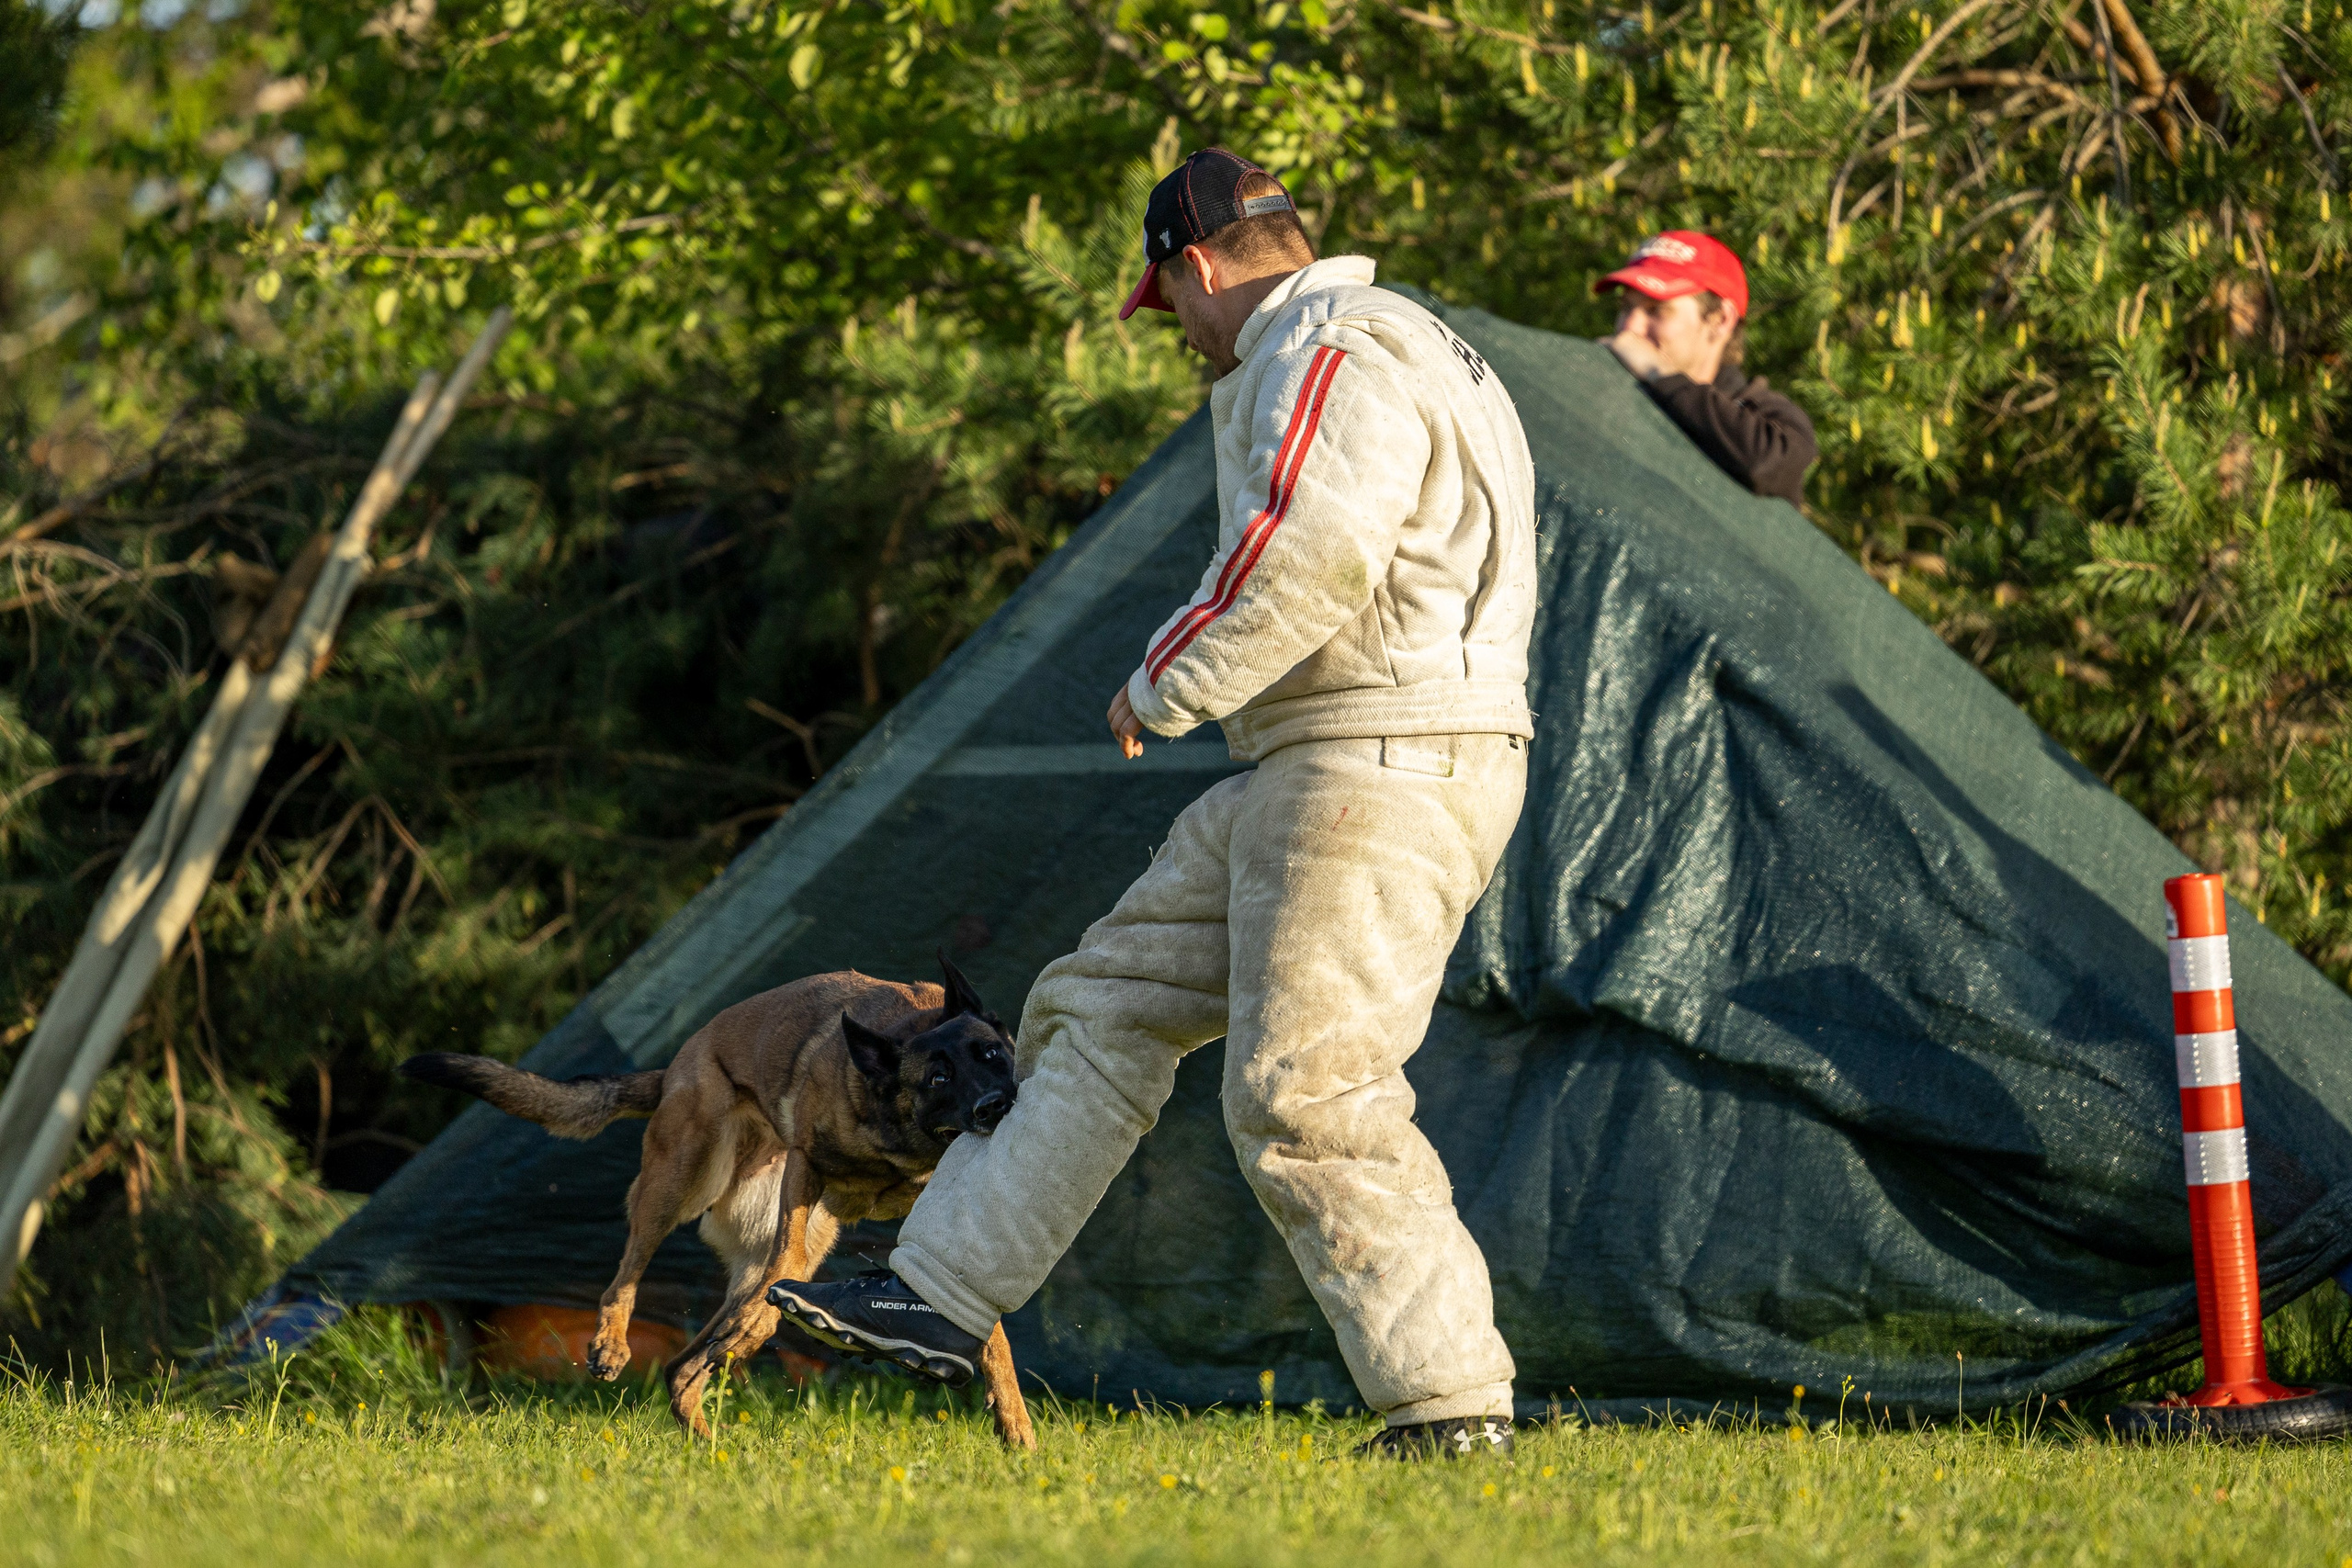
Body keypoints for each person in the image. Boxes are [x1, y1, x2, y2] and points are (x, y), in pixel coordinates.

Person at [773, 147, 1538, 1461]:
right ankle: (939, 1290)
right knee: (1104, 999)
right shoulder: (1419, 341)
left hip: (1378, 761)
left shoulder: (1331, 347)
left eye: (1167, 303)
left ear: (1194, 267)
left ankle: (1451, 1403)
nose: (1178, 333)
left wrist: (1166, 675)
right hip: (1332, 757)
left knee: (1310, 1091)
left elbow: (1314, 541)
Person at [1597, 231, 1817, 505]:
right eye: (1625, 308)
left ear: (1721, 320)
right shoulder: (1610, 392)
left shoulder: (1764, 414)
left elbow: (1769, 463)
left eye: (1656, 310)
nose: (1629, 328)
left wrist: (1660, 374)